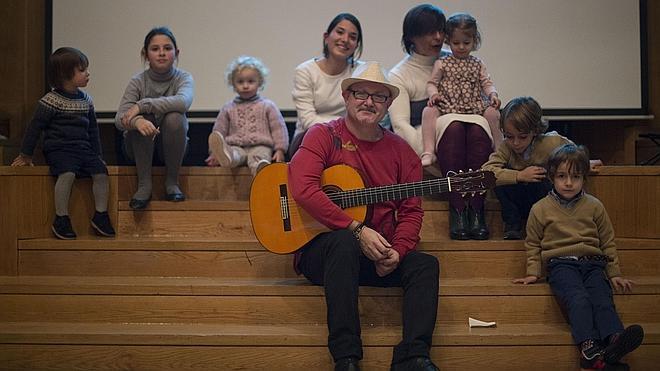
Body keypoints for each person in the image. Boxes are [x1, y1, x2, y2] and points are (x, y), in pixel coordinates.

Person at [289, 62, 440, 371]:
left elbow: (411, 211)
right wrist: (356, 228)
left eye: (379, 97)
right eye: (361, 93)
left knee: (425, 264)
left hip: (375, 255)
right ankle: (346, 357)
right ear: (346, 97)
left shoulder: (403, 152)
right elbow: (303, 189)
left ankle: (413, 356)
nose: (369, 101)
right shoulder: (322, 135)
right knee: (344, 241)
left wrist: (398, 251)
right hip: (323, 252)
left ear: (387, 105)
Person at [513, 144, 644, 370]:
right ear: (552, 177)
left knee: (603, 300)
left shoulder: (595, 206)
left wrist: (614, 273)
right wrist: (533, 273)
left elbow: (607, 241)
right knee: (579, 299)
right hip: (561, 266)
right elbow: (533, 243)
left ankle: (614, 341)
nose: (569, 183)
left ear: (584, 178)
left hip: (593, 265)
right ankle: (589, 347)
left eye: (575, 176)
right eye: (562, 176)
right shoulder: (540, 209)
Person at [388, 4, 498, 241]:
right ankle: (458, 208)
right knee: (454, 126)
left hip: (470, 146)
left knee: (477, 126)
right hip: (433, 155)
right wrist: (432, 155)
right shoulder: (400, 74)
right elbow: (401, 127)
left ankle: (476, 208)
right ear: (411, 37)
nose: (437, 37)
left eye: (440, 30)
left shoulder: (460, 60)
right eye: (429, 32)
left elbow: (483, 90)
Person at [12, 47, 115, 240]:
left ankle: (100, 215)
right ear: (65, 75)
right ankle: (61, 218)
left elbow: (93, 131)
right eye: (82, 70)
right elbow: (35, 128)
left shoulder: (87, 100)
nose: (87, 73)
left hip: (83, 149)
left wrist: (98, 155)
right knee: (67, 173)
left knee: (101, 172)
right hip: (59, 149)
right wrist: (26, 154)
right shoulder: (50, 100)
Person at [115, 26, 194, 209]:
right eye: (155, 49)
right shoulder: (137, 81)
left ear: (176, 53)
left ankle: (172, 183)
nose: (161, 53)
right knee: (145, 118)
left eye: (167, 48)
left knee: (175, 117)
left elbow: (183, 102)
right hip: (136, 148)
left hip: (173, 148)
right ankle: (144, 185)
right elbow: (119, 119)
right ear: (145, 54)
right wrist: (138, 121)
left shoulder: (184, 78)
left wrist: (142, 105)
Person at [481, 97, 570, 240]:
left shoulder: (552, 142)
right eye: (509, 136)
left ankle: (545, 225)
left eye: (522, 137)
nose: (515, 143)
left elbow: (574, 154)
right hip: (518, 200)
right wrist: (519, 175)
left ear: (534, 131)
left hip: (542, 198)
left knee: (542, 177)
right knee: (499, 181)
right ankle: (512, 225)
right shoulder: (506, 148)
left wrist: (586, 162)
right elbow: (486, 173)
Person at [421, 12, 501, 170]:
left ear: (474, 41)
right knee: (428, 112)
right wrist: (434, 95)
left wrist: (493, 94)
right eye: (456, 43)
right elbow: (432, 83)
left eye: (466, 42)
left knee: (494, 113)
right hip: (448, 104)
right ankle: (428, 151)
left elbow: (487, 83)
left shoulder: (477, 63)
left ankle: (500, 151)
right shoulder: (442, 63)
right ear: (448, 41)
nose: (462, 47)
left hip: (474, 105)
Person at [289, 13, 364, 157]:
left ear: (356, 45)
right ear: (326, 36)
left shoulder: (361, 71)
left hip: (353, 139)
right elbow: (308, 120)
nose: (345, 40)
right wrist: (348, 127)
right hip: (309, 137)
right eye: (340, 32)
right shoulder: (305, 71)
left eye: (353, 37)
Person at [206, 56, 288, 176]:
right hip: (236, 145)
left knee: (258, 158)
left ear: (259, 83)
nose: (245, 86)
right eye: (240, 82)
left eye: (250, 81)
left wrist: (280, 150)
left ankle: (261, 172)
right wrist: (214, 152)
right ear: (233, 84)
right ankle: (228, 158)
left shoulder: (268, 106)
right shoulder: (228, 108)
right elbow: (219, 130)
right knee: (234, 154)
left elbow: (278, 129)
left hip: (260, 146)